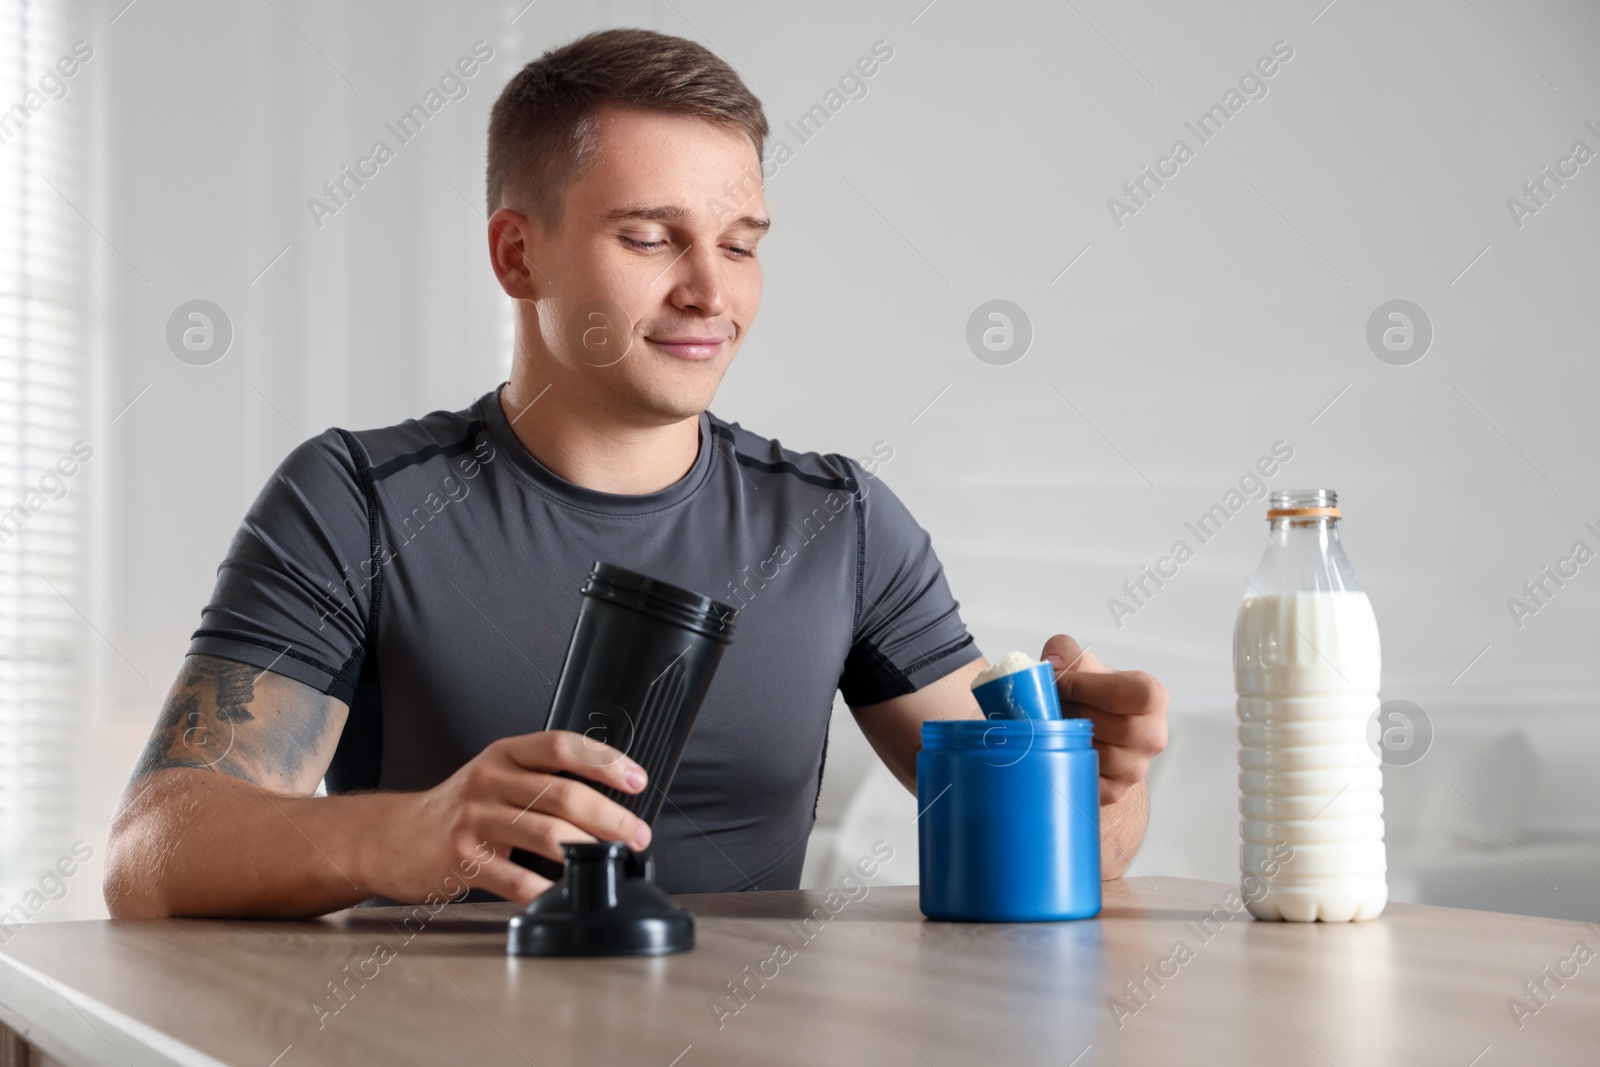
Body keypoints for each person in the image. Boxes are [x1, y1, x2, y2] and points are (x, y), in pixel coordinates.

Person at [103, 28, 1167, 919]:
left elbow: (1061, 856)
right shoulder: (356, 499)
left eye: (741, 244)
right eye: (654, 237)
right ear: (518, 256)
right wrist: (414, 829)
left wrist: (1099, 782)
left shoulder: (839, 524)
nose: (712, 290)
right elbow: (155, 852)